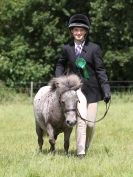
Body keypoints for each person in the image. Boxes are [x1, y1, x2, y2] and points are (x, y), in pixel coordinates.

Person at [55, 14, 111, 158]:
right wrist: (59, 80)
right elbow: (60, 64)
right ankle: (80, 153)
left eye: (81, 30)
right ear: (72, 32)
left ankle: (85, 146)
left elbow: (100, 70)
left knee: (90, 124)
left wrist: (106, 89)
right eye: (75, 30)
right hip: (75, 90)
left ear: (85, 31)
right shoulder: (66, 48)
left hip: (92, 90)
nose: (78, 33)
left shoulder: (94, 48)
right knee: (81, 120)